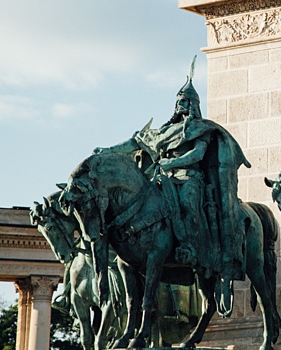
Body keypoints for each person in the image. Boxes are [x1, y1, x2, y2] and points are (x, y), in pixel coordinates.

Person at [95, 58, 250, 306]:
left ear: (194, 105)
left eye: (186, 101)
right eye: (179, 101)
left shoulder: (199, 127)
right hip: (163, 178)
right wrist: (108, 151)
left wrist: (172, 163)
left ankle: (190, 246)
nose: (182, 105)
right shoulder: (164, 131)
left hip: (189, 179)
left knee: (188, 205)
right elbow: (135, 142)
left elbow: (198, 154)